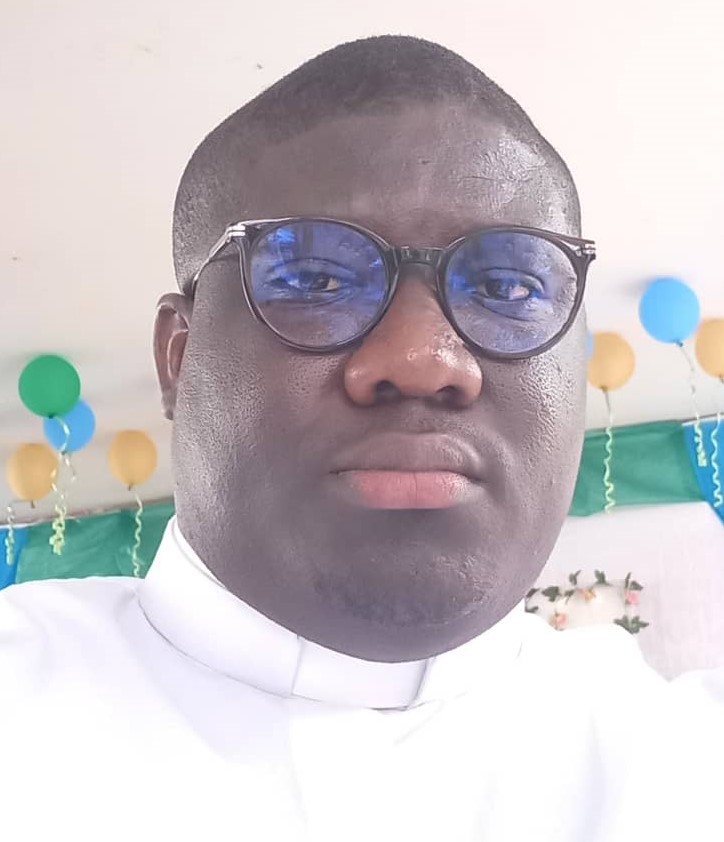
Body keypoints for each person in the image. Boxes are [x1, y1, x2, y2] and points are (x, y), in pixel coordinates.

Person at [1, 36, 722, 842]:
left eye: (508, 284)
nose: (423, 361)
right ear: (179, 356)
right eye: (313, 279)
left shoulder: (685, 767)